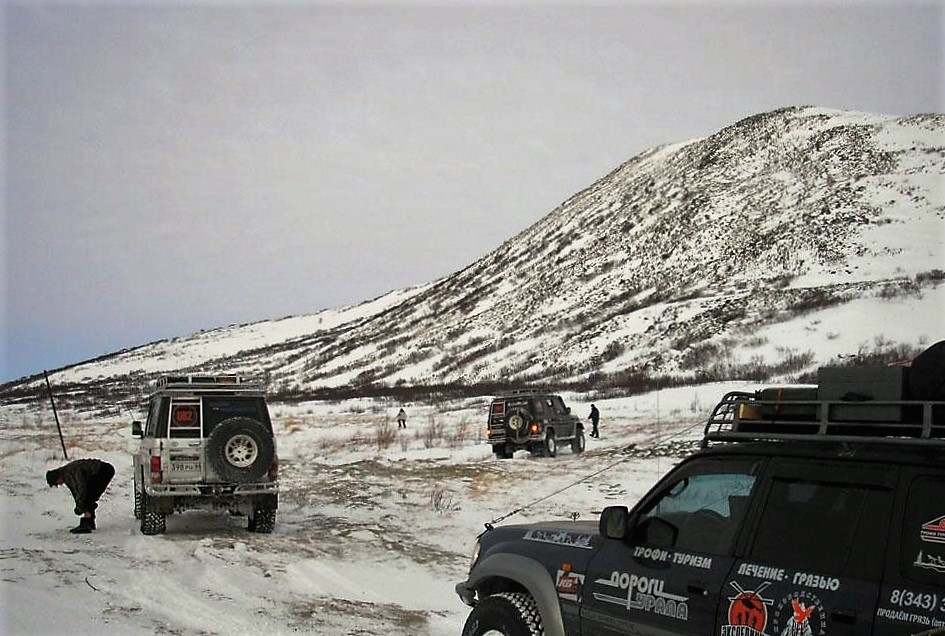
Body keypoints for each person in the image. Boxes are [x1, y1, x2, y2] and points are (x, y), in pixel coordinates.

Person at [46, 458, 115, 534]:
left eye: (56, 483)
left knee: (88, 497)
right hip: (100, 472)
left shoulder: (70, 473)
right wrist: (79, 506)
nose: (58, 485)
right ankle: (89, 522)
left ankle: (87, 523)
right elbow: (75, 492)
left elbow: (81, 487)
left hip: (104, 471)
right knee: (87, 497)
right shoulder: (66, 476)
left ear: (57, 477)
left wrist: (81, 506)